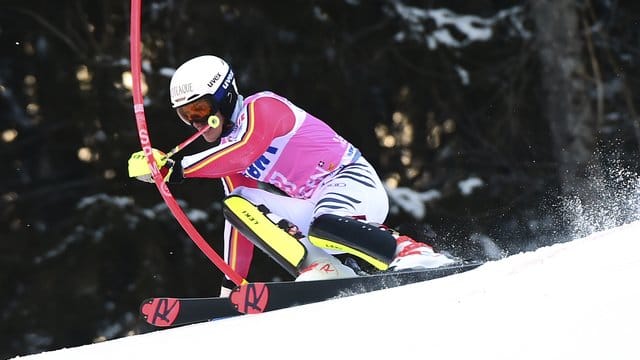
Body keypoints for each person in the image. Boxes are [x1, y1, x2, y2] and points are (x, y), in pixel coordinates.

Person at [128, 55, 456, 296]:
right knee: (238, 203)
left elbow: (246, 148)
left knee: (325, 224)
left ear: (226, 97)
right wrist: (232, 285)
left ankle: (412, 253)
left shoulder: (263, 108)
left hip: (351, 181)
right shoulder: (228, 151)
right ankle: (323, 266)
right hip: (313, 204)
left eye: (200, 110)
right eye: (186, 115)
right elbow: (241, 224)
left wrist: (177, 168)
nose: (196, 123)